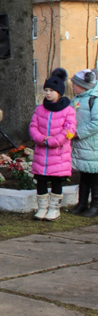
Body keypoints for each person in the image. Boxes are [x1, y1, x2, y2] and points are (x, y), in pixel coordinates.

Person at [29, 69, 76, 221]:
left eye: (52, 90)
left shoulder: (68, 110)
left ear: (59, 92)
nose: (48, 93)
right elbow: (33, 127)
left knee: (56, 181)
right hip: (42, 155)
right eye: (46, 90)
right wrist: (41, 139)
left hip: (59, 155)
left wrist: (53, 141)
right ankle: (42, 207)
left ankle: (54, 208)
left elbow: (69, 130)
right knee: (41, 180)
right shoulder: (40, 109)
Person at [70, 69, 98, 218]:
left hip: (93, 145)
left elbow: (97, 123)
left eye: (75, 84)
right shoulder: (77, 99)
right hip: (81, 144)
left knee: (94, 177)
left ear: (82, 85)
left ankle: (95, 205)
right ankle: (82, 203)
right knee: (84, 175)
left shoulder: (95, 99)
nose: (73, 86)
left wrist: (78, 132)